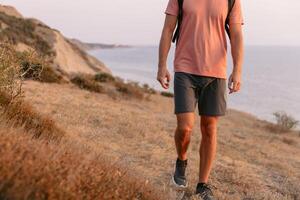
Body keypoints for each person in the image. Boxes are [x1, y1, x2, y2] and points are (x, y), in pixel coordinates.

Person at [156, 0, 244, 199]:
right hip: (185, 70)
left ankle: (202, 185)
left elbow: (237, 35)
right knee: (185, 127)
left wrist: (237, 70)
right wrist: (162, 65)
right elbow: (168, 29)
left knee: (209, 129)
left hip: (216, 73)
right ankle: (182, 160)